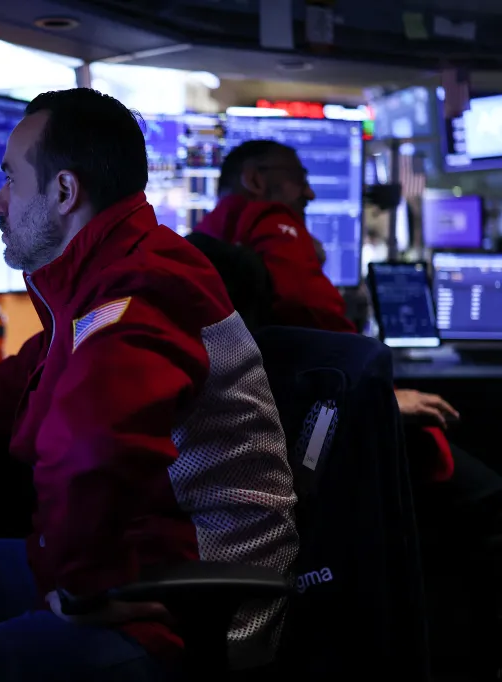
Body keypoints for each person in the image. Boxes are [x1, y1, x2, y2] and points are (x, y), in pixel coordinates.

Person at [0, 89, 299, 682]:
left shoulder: (144, 287)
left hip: (186, 600)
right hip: (141, 551)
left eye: (10, 180)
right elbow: (34, 370)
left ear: (63, 192)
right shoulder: (111, 273)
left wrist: (79, 585)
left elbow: (89, 448)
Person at [195, 139, 502, 678]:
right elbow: (331, 345)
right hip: (335, 438)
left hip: (277, 452)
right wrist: (378, 394)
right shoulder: (268, 222)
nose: (310, 191)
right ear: (257, 182)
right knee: (491, 503)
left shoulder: (210, 241)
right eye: (298, 179)